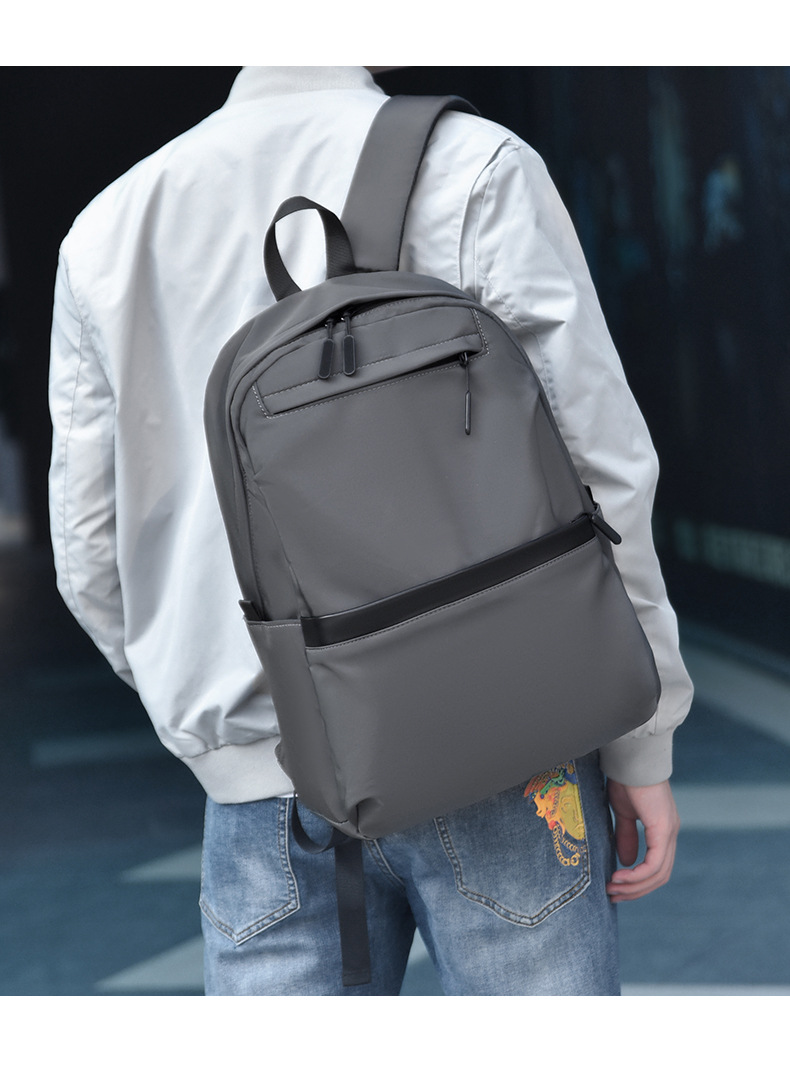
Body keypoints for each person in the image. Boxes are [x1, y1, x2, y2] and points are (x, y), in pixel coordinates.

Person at [48, 66, 693, 996]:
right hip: (504, 737)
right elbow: (604, 465)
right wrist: (644, 736)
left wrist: (217, 717)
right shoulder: (474, 165)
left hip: (262, 788)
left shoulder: (110, 229)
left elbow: (88, 550)